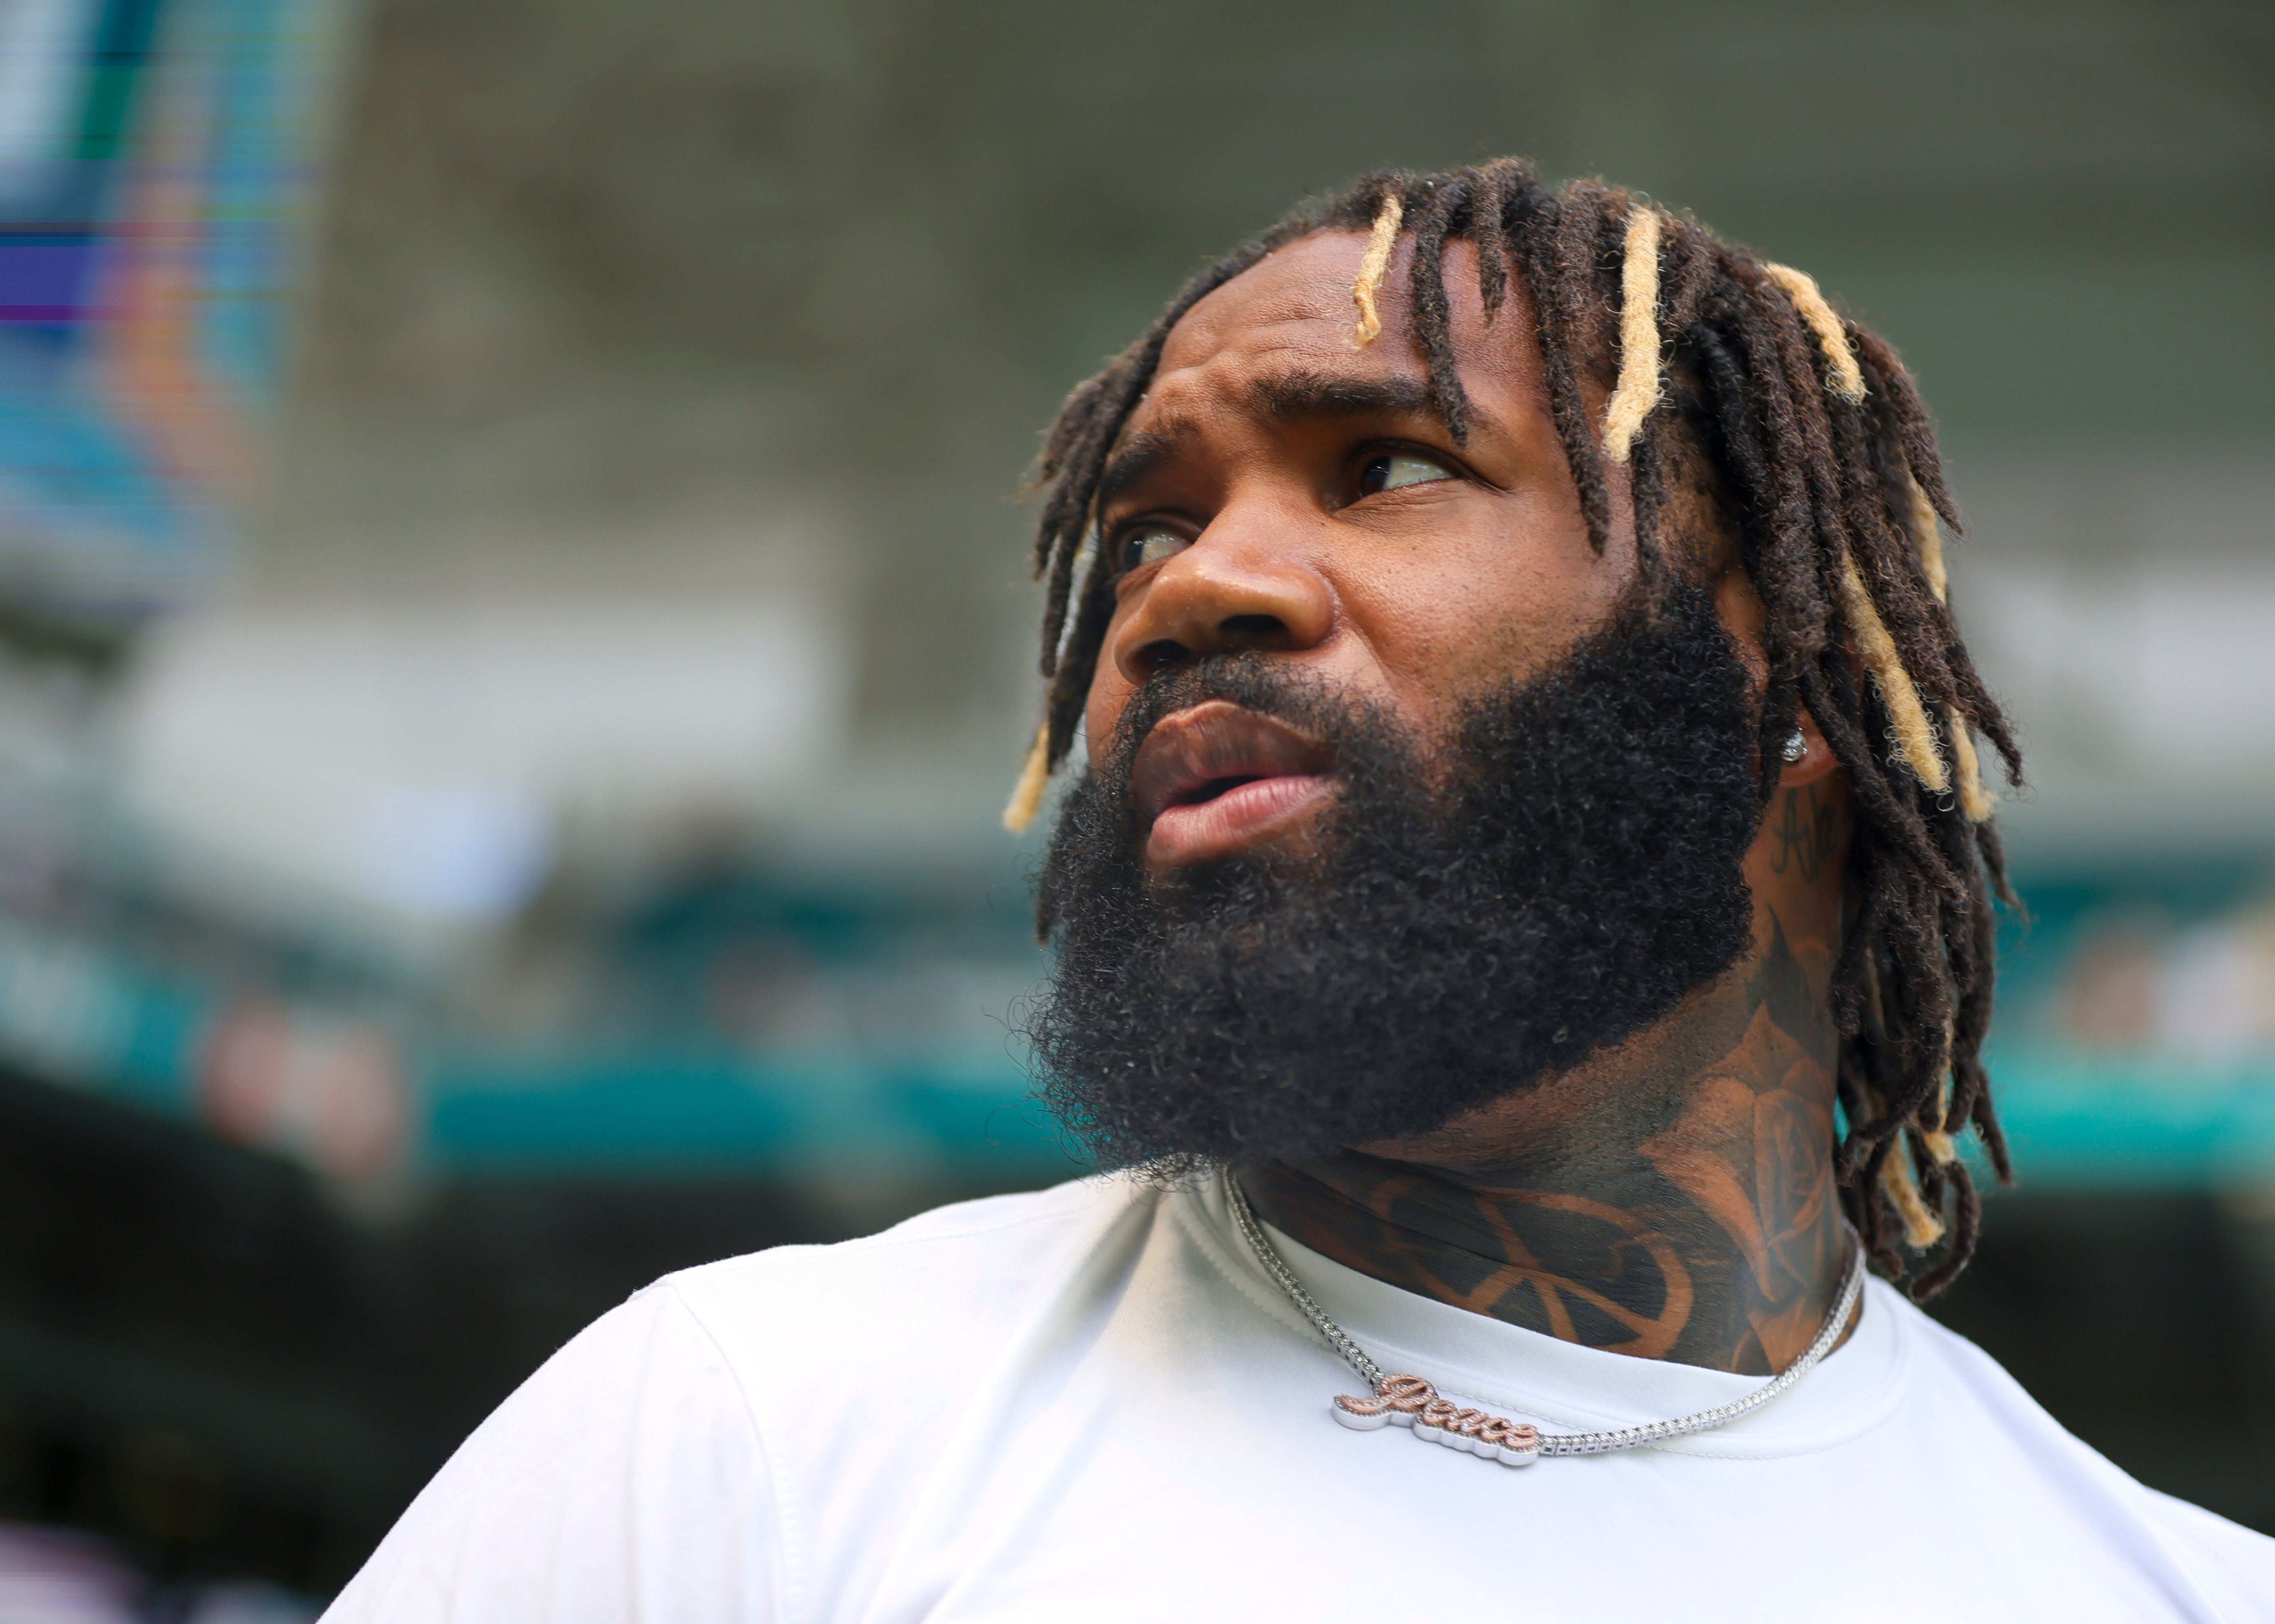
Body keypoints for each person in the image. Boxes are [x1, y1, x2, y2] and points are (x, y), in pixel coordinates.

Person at [322, 160, 2275, 1620]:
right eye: (1151, 522)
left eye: (1392, 465)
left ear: (1788, 681)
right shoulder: (748, 1432)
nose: (1190, 590)